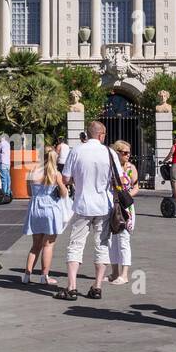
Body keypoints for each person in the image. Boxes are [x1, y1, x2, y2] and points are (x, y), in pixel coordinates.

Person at [55, 121, 121, 301]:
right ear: (101, 135)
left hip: (83, 204)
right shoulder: (109, 153)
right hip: (103, 205)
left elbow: (66, 177)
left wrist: (78, 180)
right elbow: (120, 178)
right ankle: (97, 285)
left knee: (76, 244)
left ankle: (72, 286)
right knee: (101, 245)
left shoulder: (77, 150)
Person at [23, 147, 71, 284]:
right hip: (50, 210)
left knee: (35, 245)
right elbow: (64, 193)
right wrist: (61, 185)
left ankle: (27, 275)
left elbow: (29, 193)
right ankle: (44, 276)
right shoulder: (55, 174)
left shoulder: (32, 172)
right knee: (48, 245)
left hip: (35, 209)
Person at [107, 140, 140, 284]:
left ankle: (124, 274)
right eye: (125, 153)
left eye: (129, 153)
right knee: (112, 241)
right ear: (117, 153)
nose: (128, 155)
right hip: (112, 206)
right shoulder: (111, 168)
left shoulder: (131, 168)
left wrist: (125, 197)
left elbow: (136, 187)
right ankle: (114, 273)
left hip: (125, 207)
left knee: (124, 240)